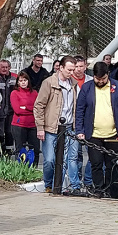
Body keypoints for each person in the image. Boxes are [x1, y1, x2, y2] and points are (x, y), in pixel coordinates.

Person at [75, 62, 118, 198]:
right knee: (96, 164)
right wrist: (79, 130)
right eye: (97, 79)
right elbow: (79, 110)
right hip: (93, 134)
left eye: (103, 79)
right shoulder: (87, 88)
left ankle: (110, 189)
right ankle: (98, 189)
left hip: (114, 134)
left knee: (112, 164)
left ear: (108, 75)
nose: (100, 81)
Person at [34, 56, 81, 195]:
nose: (71, 73)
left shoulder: (73, 84)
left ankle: (74, 185)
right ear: (60, 67)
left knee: (72, 157)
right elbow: (39, 106)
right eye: (69, 70)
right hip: (51, 127)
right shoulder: (49, 83)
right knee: (49, 160)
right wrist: (40, 128)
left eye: (73, 69)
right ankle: (48, 183)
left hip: (69, 126)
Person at [10, 72, 40, 166]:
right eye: (21, 81)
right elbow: (17, 110)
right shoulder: (14, 93)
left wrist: (25, 107)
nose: (23, 82)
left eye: (25, 80)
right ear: (17, 82)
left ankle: (34, 169)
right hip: (19, 125)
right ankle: (20, 169)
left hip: (33, 125)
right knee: (20, 149)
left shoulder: (34, 93)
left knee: (35, 149)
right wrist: (30, 108)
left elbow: (37, 108)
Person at [72, 56, 93, 191]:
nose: (79, 69)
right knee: (75, 155)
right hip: (73, 122)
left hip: (89, 122)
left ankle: (88, 180)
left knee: (92, 154)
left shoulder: (91, 81)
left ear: (85, 66)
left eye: (81, 66)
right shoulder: (69, 81)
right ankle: (76, 182)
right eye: (76, 66)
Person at [0, 59, 17, 153]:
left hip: (11, 111)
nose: (4, 69)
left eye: (6, 67)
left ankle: (9, 150)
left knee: (9, 131)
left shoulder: (15, 78)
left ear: (9, 67)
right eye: (2, 67)